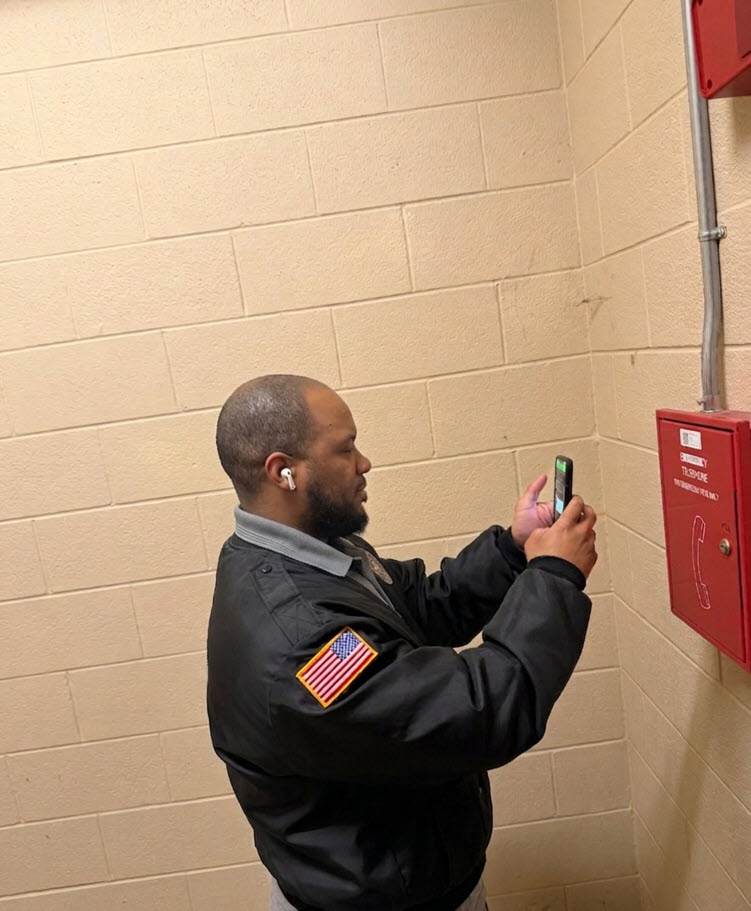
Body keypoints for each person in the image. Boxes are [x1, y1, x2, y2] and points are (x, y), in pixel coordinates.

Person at [207, 374, 597, 911]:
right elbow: (483, 711)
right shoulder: (301, 643)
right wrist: (553, 575)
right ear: (284, 471)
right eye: (345, 449)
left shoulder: (308, 556)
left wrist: (513, 550)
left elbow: (414, 610)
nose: (364, 462)